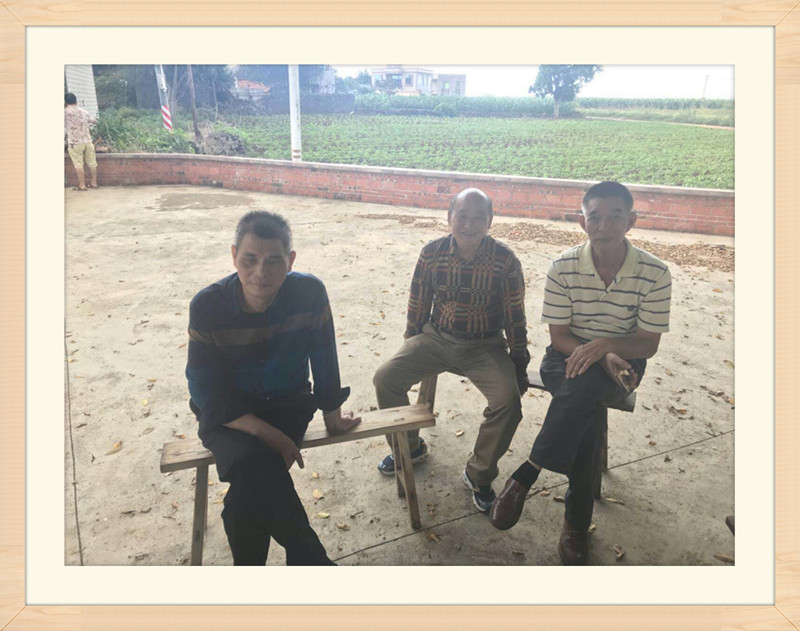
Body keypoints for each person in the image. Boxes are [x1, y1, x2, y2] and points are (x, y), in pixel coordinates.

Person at [489, 181, 672, 565]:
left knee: (583, 395)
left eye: (615, 216)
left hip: (625, 363)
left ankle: (528, 472)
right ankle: (575, 524)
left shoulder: (655, 273)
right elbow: (559, 337)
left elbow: (647, 345)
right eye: (595, 217)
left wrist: (605, 347)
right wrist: (599, 354)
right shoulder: (563, 266)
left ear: (631, 220)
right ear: (582, 222)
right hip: (564, 356)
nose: (604, 225)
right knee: (585, 396)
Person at [186, 211, 361, 565]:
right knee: (254, 465)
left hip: (287, 405)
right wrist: (267, 433)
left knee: (245, 497)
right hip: (228, 417)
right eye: (249, 259)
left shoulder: (309, 293)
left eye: (273, 261)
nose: (260, 273)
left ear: (291, 260)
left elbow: (324, 356)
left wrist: (332, 413)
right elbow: (203, 389)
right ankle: (313, 562)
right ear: (234, 255)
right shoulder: (207, 306)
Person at [373, 188, 530, 513]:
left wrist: (519, 363)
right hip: (436, 338)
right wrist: (411, 342)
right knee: (386, 378)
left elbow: (515, 315)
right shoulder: (432, 253)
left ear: (490, 221)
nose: (469, 225)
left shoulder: (504, 261)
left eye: (478, 218)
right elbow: (418, 303)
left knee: (508, 402)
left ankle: (479, 473)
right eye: (462, 216)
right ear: (449, 217)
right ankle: (409, 448)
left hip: (484, 345)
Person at [64, 92, 98, 191]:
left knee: (78, 164)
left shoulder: (65, 112)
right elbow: (94, 121)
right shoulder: (84, 112)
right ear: (76, 100)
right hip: (88, 141)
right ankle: (94, 183)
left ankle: (82, 185)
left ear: (65, 101)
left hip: (75, 142)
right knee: (92, 162)